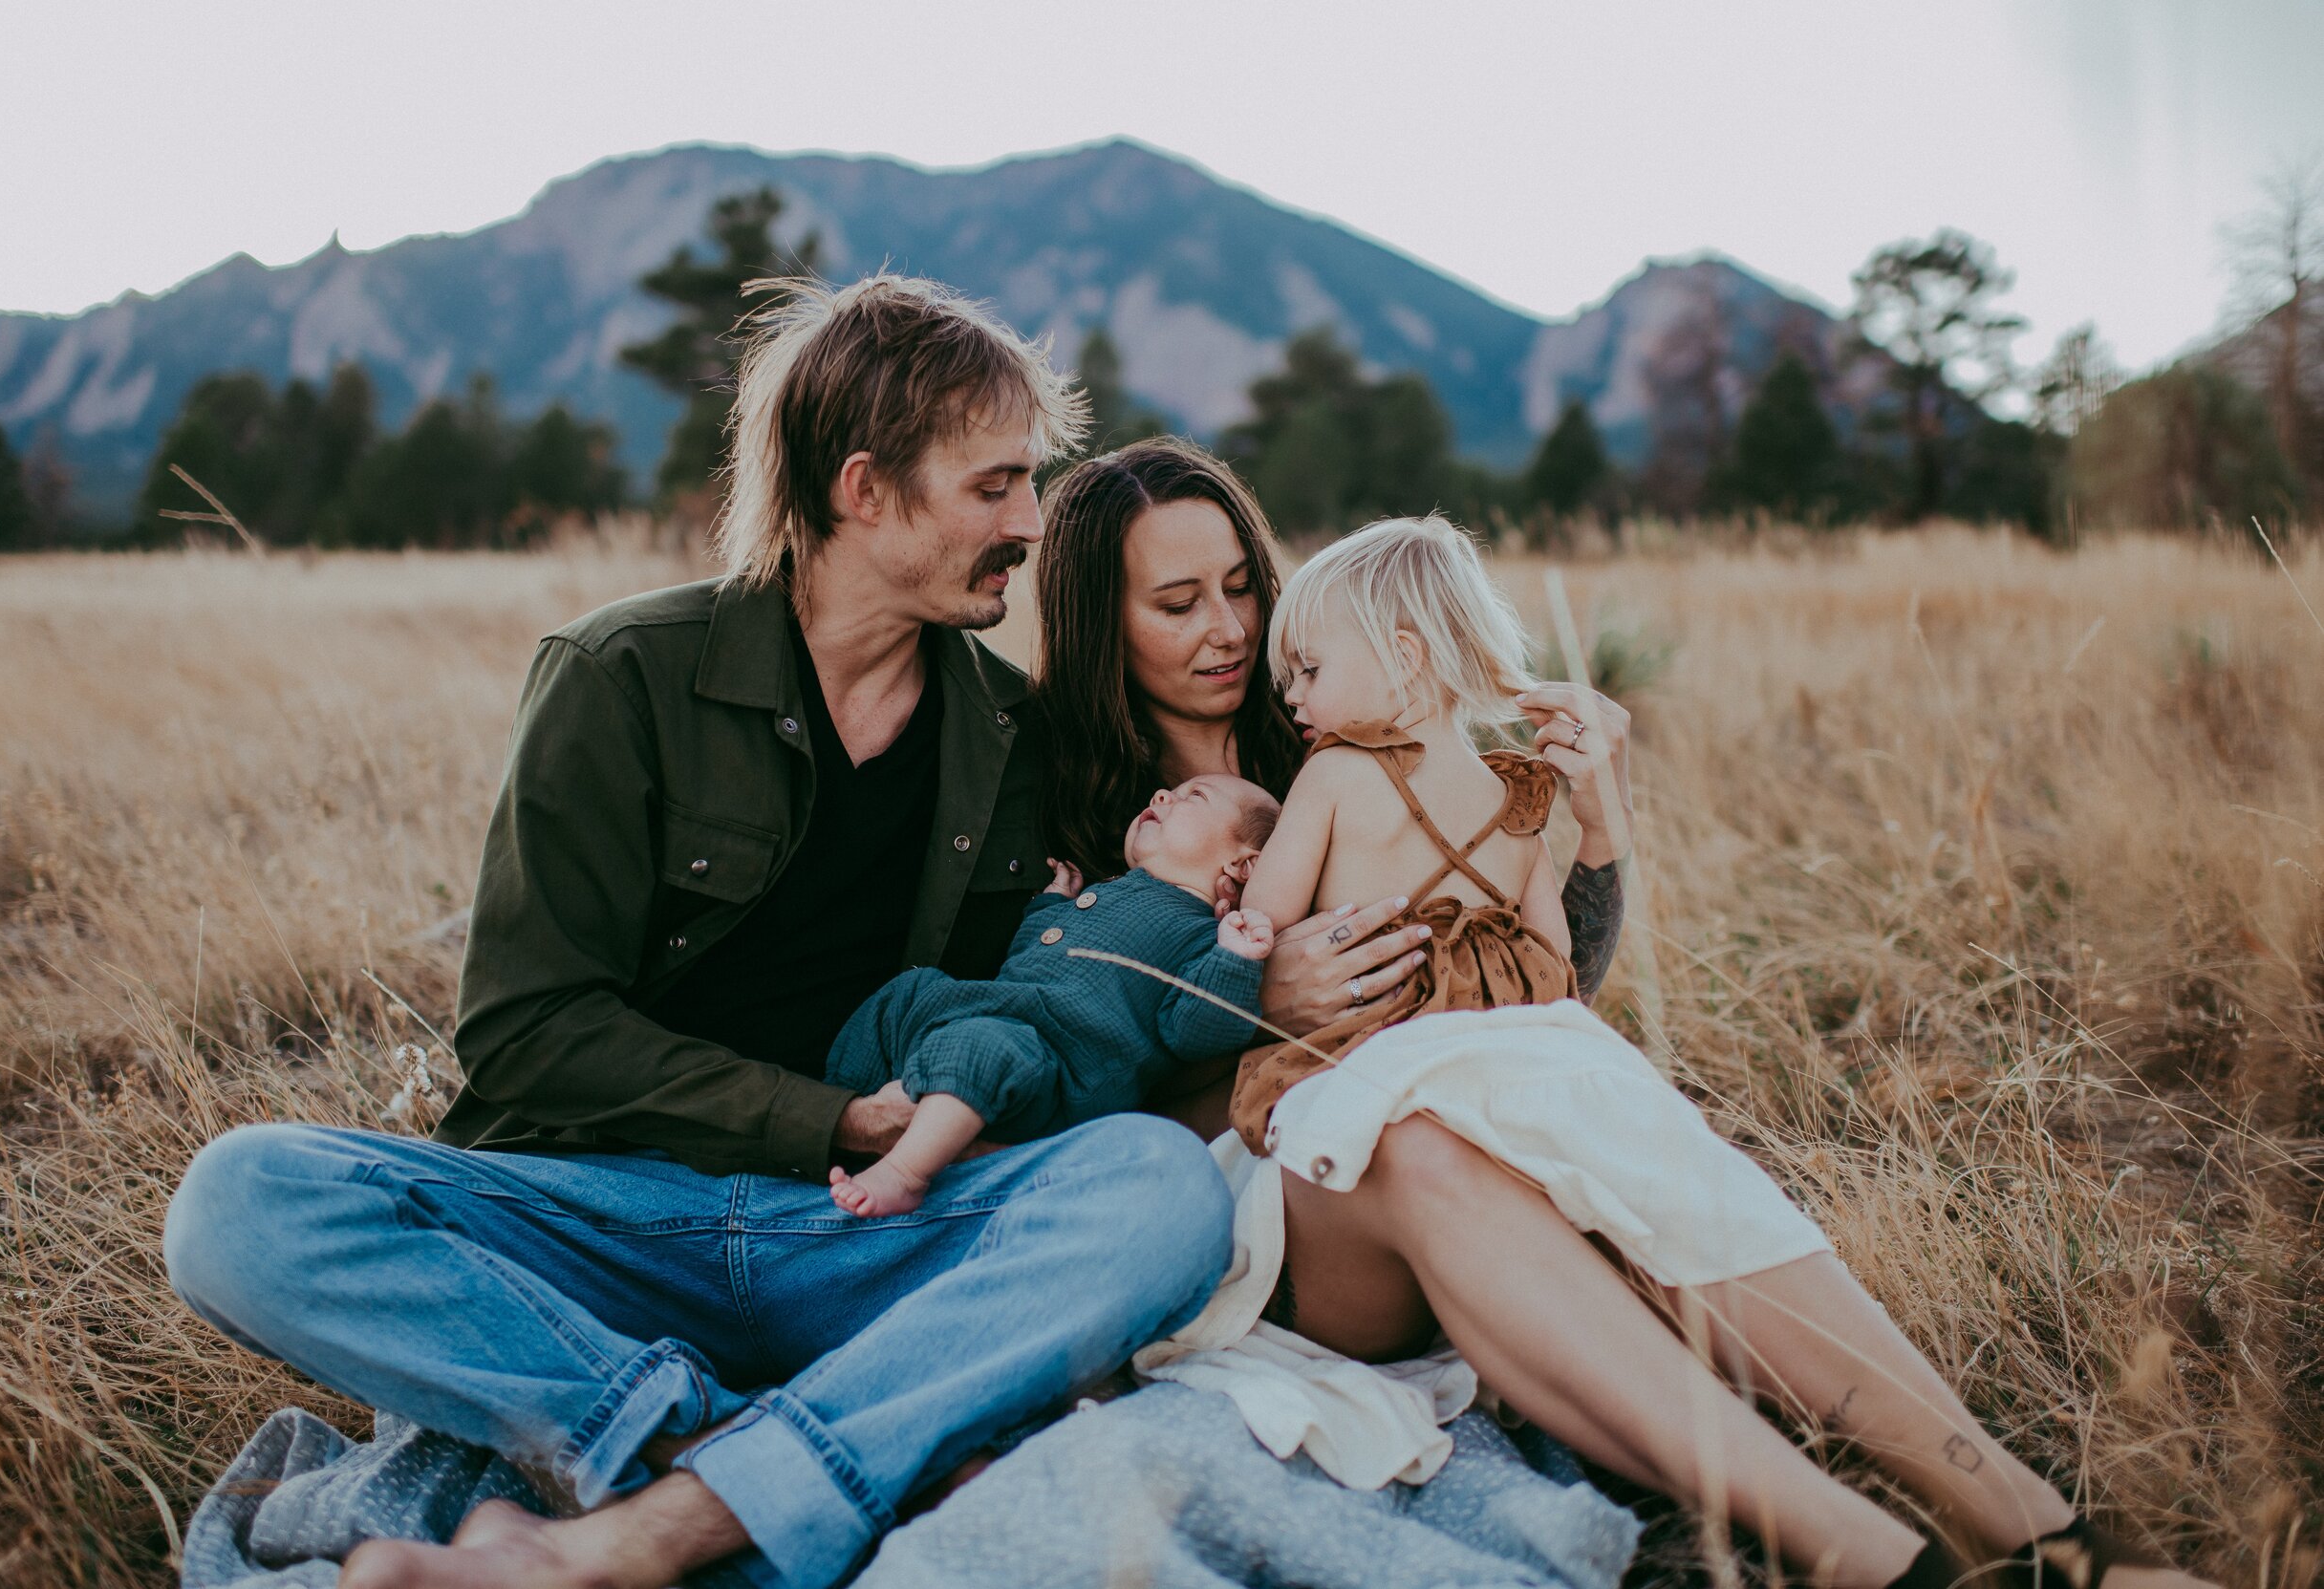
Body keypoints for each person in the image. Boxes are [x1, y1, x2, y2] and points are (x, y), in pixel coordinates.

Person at [159, 276, 1237, 1589]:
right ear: (864, 488)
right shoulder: (623, 676)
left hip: (859, 1233)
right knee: (239, 1198)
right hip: (606, 1222)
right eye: (995, 486)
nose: (1029, 521)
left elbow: (1070, 975)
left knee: (1157, 1186)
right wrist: (832, 1120)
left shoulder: (1014, 734)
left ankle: (632, 1526)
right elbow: (525, 1030)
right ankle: (706, 1449)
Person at [1035, 439, 2210, 1589]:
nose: (1231, 629)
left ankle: (2044, 1533)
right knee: (1419, 1143)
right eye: (1178, 602)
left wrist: (1598, 828)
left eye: (1242, 586)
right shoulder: (1076, 820)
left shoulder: (1353, 724)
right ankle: (1865, 1556)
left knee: (1636, 1153)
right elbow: (1051, 1082)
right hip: (1273, 1211)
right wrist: (1249, 999)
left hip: (1467, 1142)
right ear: (1101, 623)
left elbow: (1531, 998)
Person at [824, 773, 1280, 1216]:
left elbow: (1195, 1032)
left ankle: (904, 1174)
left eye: (1193, 796)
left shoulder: (1203, 936)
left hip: (1058, 1065)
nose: (1162, 795)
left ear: (1243, 865)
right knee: (910, 990)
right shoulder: (1109, 888)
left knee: (984, 1047)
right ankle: (838, 1117)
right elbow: (1025, 959)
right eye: (1171, 791)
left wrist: (1234, 960)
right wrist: (1052, 906)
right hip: (998, 1014)